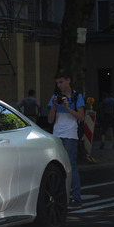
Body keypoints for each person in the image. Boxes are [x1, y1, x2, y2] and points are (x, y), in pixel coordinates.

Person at [47, 69, 85, 210]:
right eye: (57, 83)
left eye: (61, 82)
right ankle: (61, 195)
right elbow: (50, 120)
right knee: (57, 165)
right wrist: (55, 106)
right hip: (57, 134)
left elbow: (81, 117)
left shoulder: (76, 97)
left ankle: (76, 197)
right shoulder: (54, 98)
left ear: (68, 80)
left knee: (71, 165)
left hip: (70, 135)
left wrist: (67, 107)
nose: (59, 85)